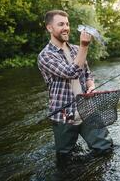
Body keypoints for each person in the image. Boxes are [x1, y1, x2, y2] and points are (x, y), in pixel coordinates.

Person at [37, 10, 113, 160]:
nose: (66, 27)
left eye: (67, 24)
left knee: (105, 148)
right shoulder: (45, 56)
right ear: (49, 28)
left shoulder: (76, 49)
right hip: (65, 114)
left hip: (87, 107)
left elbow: (87, 74)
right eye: (60, 24)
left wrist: (91, 86)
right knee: (65, 157)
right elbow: (71, 72)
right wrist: (85, 45)